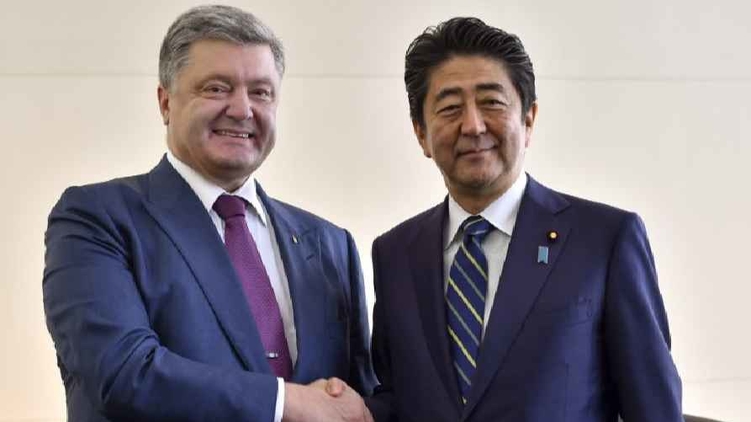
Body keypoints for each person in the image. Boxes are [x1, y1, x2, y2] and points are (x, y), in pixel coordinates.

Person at [43, 5, 375, 422]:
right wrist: (285, 402)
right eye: (217, 88)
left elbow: (357, 397)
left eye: (261, 92)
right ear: (165, 102)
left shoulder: (330, 244)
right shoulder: (97, 219)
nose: (242, 109)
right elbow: (123, 372)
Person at [365, 17, 683, 421]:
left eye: (492, 102)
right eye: (449, 108)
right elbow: (395, 398)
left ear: (528, 119)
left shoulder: (605, 241)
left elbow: (654, 408)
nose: (473, 125)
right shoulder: (394, 254)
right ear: (421, 134)